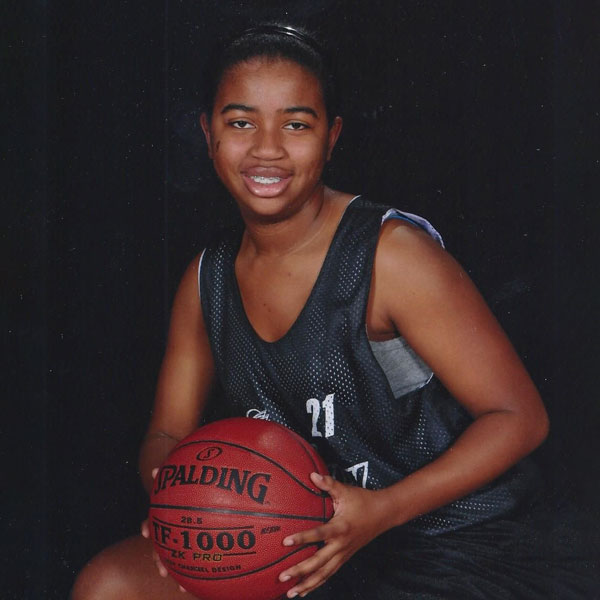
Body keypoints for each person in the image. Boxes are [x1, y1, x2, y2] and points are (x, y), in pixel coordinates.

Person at [71, 24, 598, 600]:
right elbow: (168, 431)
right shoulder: (205, 280)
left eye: (296, 124)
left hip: (452, 540)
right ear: (208, 133)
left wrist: (382, 510)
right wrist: (181, 502)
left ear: (331, 137)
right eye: (240, 122)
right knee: (110, 586)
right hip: (301, 543)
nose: (267, 147)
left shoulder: (389, 255)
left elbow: (519, 417)